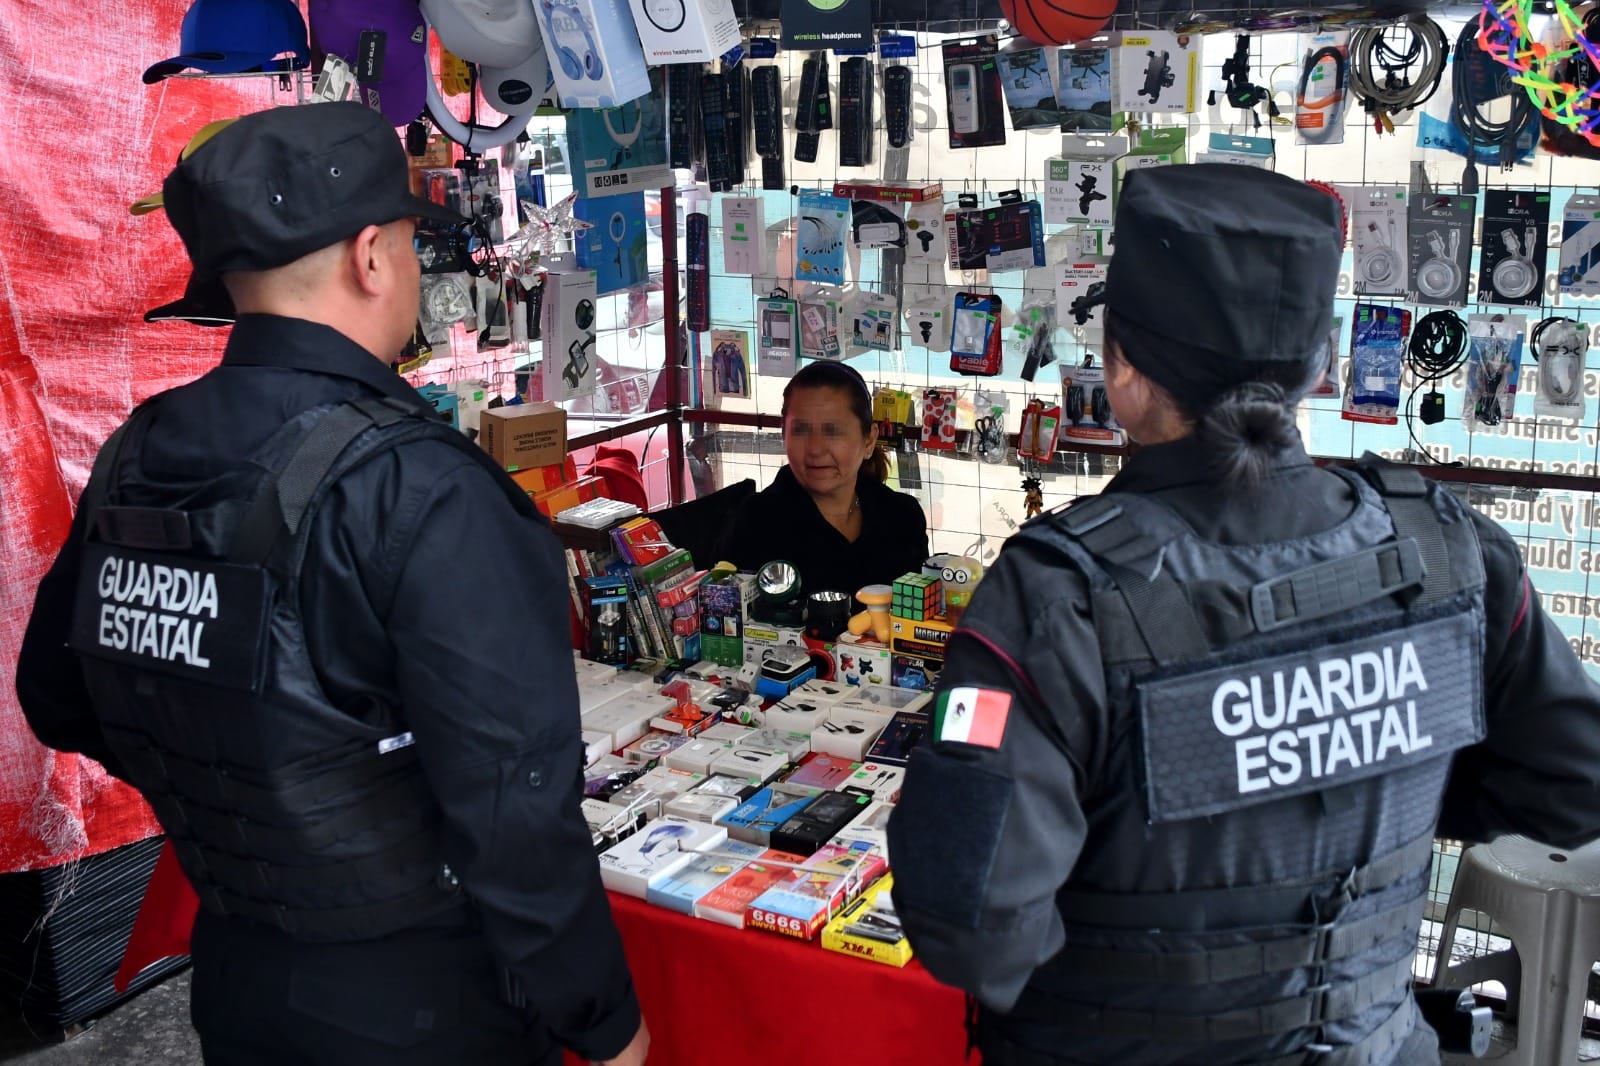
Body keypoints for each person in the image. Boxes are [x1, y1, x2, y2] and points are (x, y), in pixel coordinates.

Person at [888, 164, 1600, 1066]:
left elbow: (972, 922)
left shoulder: (1055, 595)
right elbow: (1574, 782)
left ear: (1124, 370)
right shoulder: (1449, 549)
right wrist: (1376, 778)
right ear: (1317, 367)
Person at [15, 102, 649, 1066]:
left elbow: (58, 695)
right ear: (370, 256)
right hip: (425, 1006)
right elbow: (513, 809)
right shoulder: (421, 485)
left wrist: (242, 775)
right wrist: (603, 1023)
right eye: (405, 238)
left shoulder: (137, 453)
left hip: (239, 984)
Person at [716, 359, 928, 600]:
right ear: (784, 434)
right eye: (801, 430)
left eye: (833, 431)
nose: (815, 449)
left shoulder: (902, 517)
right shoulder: (758, 522)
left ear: (869, 440)